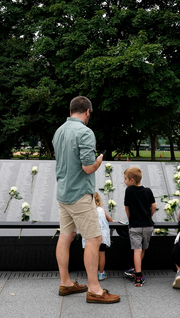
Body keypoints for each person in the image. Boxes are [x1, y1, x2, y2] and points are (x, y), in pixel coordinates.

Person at [52, 95, 120, 304]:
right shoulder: (85, 132)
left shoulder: (59, 131)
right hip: (80, 194)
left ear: (72, 110)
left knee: (66, 235)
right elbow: (88, 167)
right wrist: (99, 160)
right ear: (87, 111)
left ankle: (66, 282)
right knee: (93, 239)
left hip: (63, 193)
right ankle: (95, 290)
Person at [123, 167, 157, 287]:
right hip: (147, 225)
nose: (124, 181)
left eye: (125, 179)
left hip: (135, 226)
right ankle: (135, 270)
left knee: (136, 250)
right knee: (142, 249)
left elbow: (127, 208)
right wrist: (149, 216)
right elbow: (154, 205)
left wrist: (129, 219)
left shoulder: (129, 191)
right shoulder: (148, 191)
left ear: (132, 180)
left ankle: (138, 276)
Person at [82, 193, 115, 281]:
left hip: (90, 237)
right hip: (101, 237)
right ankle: (101, 273)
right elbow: (110, 220)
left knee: (91, 255)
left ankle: (91, 273)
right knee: (101, 255)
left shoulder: (86, 211)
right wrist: (113, 221)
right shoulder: (101, 210)